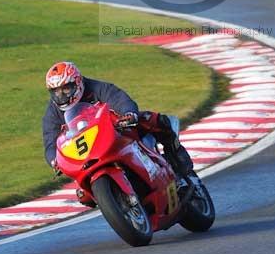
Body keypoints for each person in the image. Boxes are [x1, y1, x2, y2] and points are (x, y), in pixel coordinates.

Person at [42, 61, 194, 206]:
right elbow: (50, 140)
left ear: (77, 82)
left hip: (114, 131)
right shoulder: (52, 113)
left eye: (66, 89)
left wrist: (128, 114)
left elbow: (118, 98)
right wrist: (54, 160)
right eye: (56, 91)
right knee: (84, 196)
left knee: (154, 120)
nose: (61, 95)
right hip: (86, 151)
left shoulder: (95, 88)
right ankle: (115, 198)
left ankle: (176, 155)